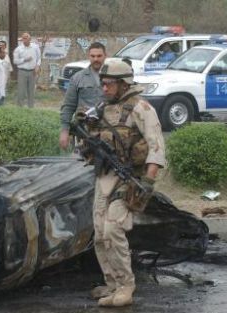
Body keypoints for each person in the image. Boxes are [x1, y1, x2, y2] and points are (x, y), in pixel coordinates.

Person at [83, 59, 166, 307]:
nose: (105, 88)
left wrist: (148, 181)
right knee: (99, 233)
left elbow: (157, 148)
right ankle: (112, 283)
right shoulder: (102, 108)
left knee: (113, 229)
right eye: (103, 83)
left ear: (123, 84)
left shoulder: (141, 109)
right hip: (105, 177)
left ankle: (126, 285)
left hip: (131, 178)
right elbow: (89, 145)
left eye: (109, 84)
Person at [59, 42, 106, 150]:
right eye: (92, 56)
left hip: (107, 131)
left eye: (99, 56)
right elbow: (68, 106)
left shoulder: (113, 78)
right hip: (84, 132)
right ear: (88, 56)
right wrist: (64, 131)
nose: (96, 59)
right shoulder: (77, 78)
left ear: (105, 56)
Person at [13, 32, 41, 108]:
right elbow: (15, 61)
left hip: (33, 72)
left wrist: (37, 66)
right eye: (23, 38)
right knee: (21, 92)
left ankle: (31, 109)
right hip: (22, 71)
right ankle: (20, 109)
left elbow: (39, 59)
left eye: (26, 38)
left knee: (31, 92)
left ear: (30, 39)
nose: (25, 39)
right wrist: (24, 59)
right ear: (22, 39)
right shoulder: (18, 49)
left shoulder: (35, 47)